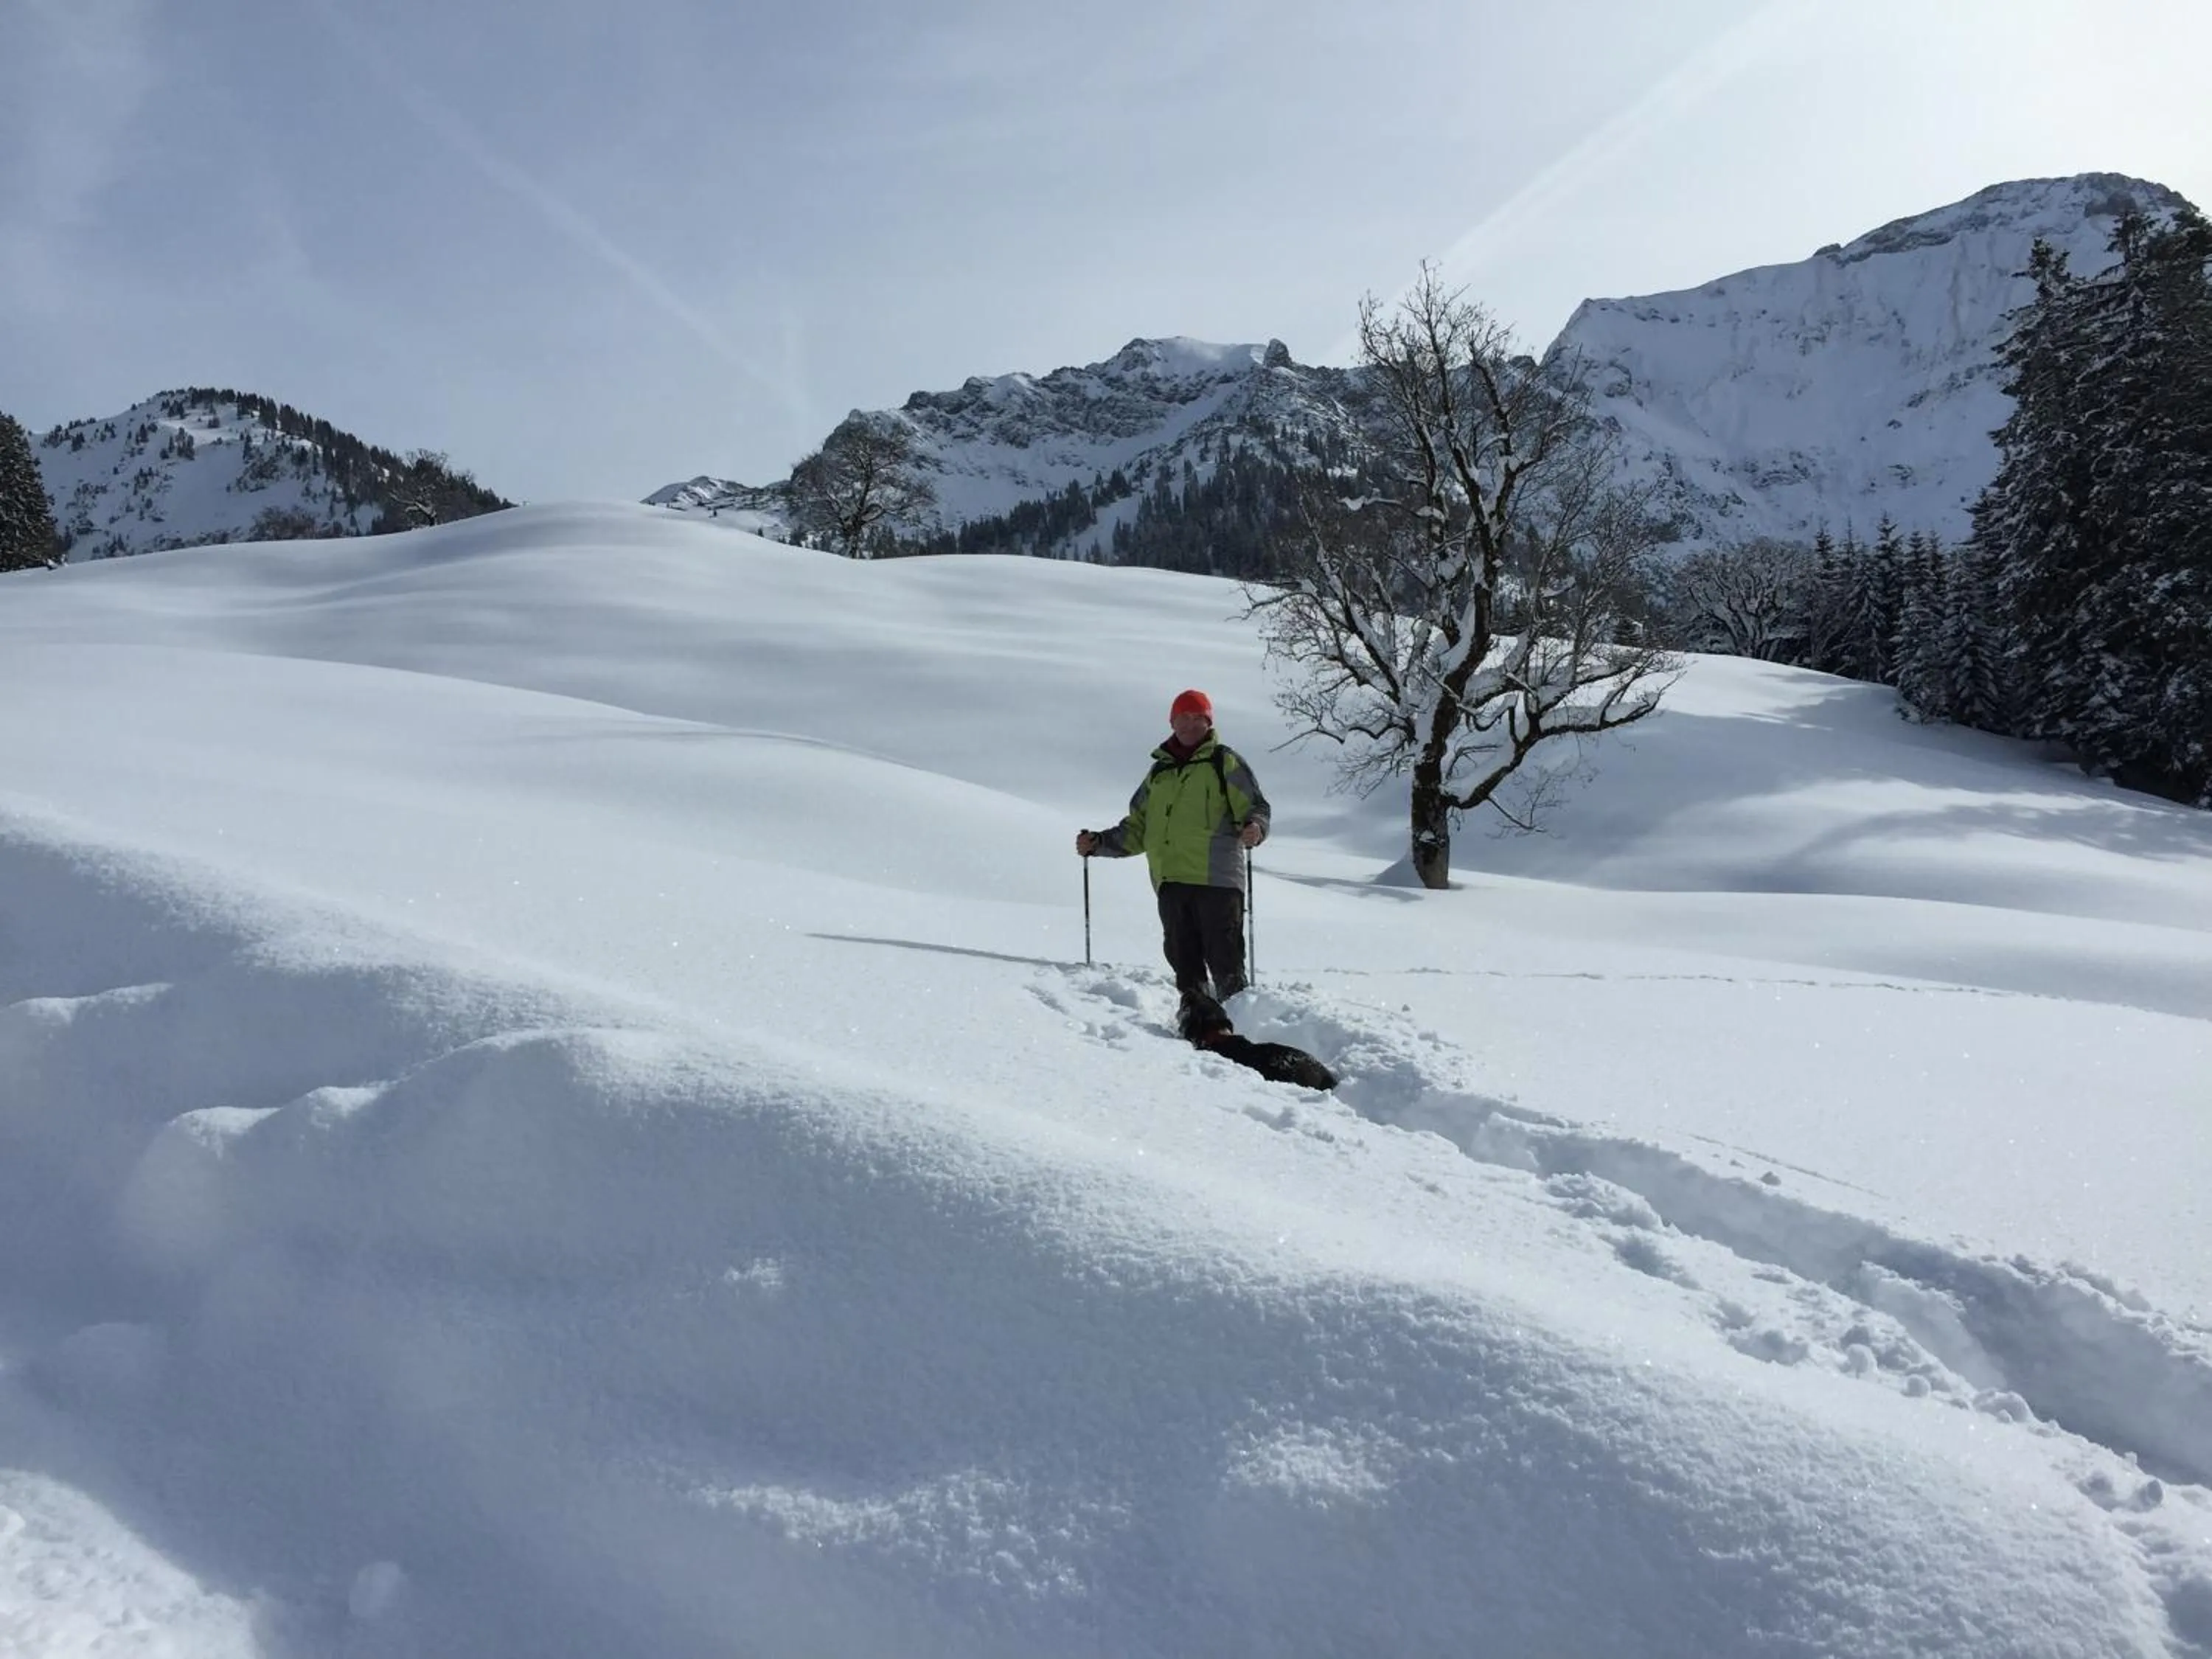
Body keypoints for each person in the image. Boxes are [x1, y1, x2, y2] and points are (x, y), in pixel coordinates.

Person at [1075, 689, 1270, 1003]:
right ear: (1172, 722)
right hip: (1170, 882)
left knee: (1226, 963)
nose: (1190, 724)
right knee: (1184, 964)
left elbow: (1255, 807)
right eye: (1183, 717)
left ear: (1209, 723)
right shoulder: (1159, 773)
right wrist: (1099, 843)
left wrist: (1255, 828)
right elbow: (1138, 827)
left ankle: (1239, 1027)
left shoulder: (1224, 762)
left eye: (1198, 718)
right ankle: (1198, 1026)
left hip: (1217, 882)